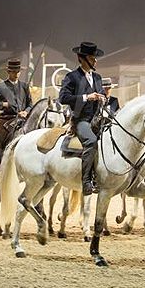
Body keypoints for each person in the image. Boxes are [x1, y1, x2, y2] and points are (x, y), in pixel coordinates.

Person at [58, 42, 106, 196]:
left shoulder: (98, 77)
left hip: (98, 119)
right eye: (92, 58)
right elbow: (63, 98)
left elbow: (101, 94)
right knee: (91, 142)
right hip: (81, 120)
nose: (95, 61)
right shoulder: (71, 77)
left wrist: (102, 98)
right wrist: (87, 97)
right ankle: (86, 181)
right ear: (82, 58)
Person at [0, 58, 33, 181]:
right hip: (6, 119)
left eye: (18, 71)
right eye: (13, 71)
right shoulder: (0, 87)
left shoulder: (24, 86)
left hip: (23, 118)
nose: (16, 73)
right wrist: (3, 105)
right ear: (8, 72)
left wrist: (26, 111)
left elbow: (30, 104)